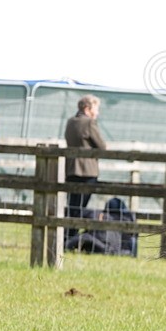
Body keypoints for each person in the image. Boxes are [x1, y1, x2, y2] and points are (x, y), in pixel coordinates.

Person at [64, 95, 108, 241]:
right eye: (96, 109)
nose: (98, 113)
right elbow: (102, 146)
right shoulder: (89, 123)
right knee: (80, 207)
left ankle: (67, 236)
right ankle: (71, 237)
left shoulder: (70, 122)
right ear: (87, 108)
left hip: (71, 170)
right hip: (87, 171)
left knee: (72, 206)